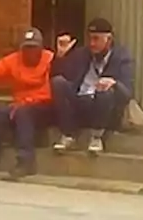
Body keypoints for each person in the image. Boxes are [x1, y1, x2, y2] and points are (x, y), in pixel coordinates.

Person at [0, 28, 55, 180]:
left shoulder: (50, 60)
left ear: (41, 48)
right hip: (20, 106)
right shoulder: (13, 60)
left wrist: (27, 103)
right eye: (26, 48)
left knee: (23, 112)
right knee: (1, 112)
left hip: (44, 106)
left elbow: (50, 91)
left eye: (33, 48)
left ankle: (26, 162)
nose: (29, 52)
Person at [51, 18, 135, 154]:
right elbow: (59, 76)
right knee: (58, 82)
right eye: (90, 39)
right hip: (80, 102)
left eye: (96, 39)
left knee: (104, 90)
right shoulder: (82, 54)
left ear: (108, 39)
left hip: (102, 107)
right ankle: (68, 135)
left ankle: (97, 137)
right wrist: (61, 56)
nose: (92, 44)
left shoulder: (122, 58)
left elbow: (128, 93)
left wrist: (113, 83)